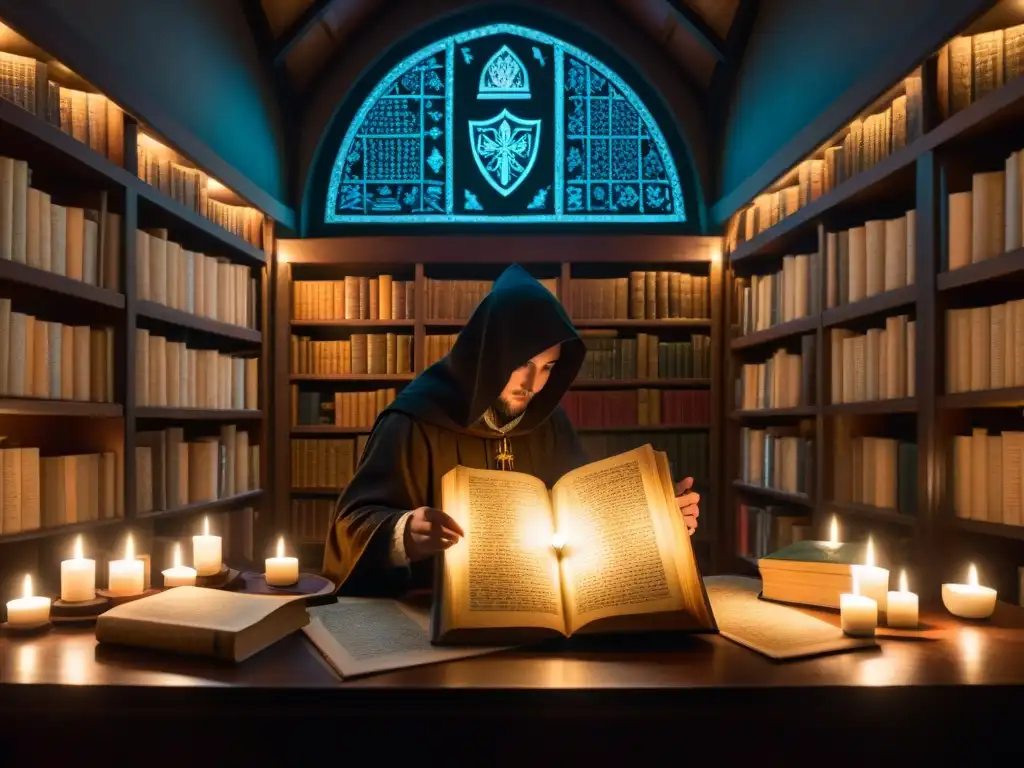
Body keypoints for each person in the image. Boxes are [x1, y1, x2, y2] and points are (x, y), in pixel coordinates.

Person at [323, 264, 701, 595]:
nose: (534, 384)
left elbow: (584, 517)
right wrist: (402, 533)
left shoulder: (550, 423)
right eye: (522, 363)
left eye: (549, 367)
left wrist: (654, 520)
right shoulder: (414, 419)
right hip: (433, 615)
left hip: (543, 614)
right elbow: (349, 526)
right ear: (488, 353)